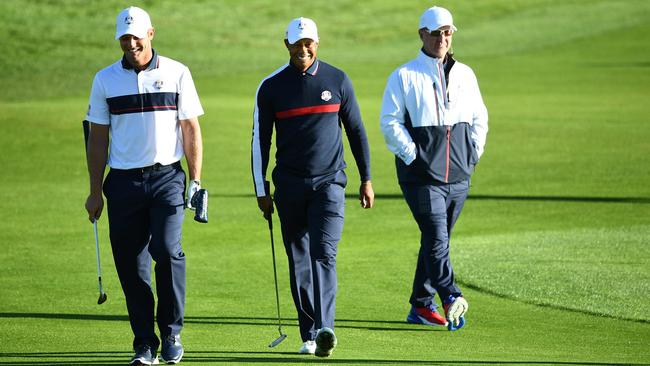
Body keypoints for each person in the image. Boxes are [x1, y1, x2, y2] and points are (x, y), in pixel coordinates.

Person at [84, 6, 204, 365]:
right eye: (125, 37)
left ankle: (171, 333)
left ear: (151, 34)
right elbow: (97, 139)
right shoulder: (105, 80)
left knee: (168, 251)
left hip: (167, 176)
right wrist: (94, 191)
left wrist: (196, 180)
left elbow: (190, 129)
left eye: (136, 36)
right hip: (122, 183)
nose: (131, 42)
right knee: (131, 265)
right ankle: (144, 343)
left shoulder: (176, 72)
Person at [251, 17, 374, 357]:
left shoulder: (337, 79)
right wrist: (260, 188)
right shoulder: (272, 87)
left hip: (330, 182)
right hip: (289, 185)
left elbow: (356, 131)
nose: (303, 49)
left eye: (309, 43)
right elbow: (260, 140)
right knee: (299, 258)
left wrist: (366, 178)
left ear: (317, 43)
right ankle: (309, 333)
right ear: (286, 43)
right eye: (297, 43)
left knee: (324, 253)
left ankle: (324, 329)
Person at [380, 6, 488, 331]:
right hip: (420, 178)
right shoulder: (404, 76)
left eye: (448, 32)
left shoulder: (465, 74)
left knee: (436, 240)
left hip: (459, 174)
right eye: (437, 32)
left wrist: (472, 153)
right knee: (437, 238)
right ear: (422, 35)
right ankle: (450, 296)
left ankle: (421, 305)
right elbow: (390, 123)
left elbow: (480, 117)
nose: (443, 38)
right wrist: (414, 156)